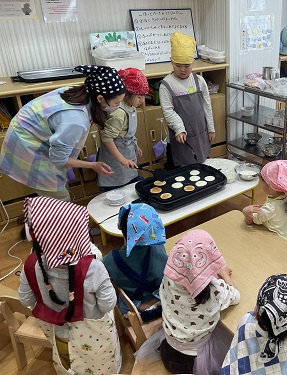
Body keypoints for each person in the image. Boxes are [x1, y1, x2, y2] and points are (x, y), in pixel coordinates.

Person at [18, 196, 121, 374]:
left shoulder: (31, 264)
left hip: (59, 335)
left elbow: (25, 299)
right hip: (96, 336)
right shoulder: (94, 267)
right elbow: (107, 304)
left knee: (70, 368)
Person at [0, 65, 125, 202]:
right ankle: (59, 221)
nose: (118, 106)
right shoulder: (76, 121)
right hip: (26, 144)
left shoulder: (81, 91)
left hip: (33, 131)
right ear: (100, 98)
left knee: (57, 190)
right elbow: (59, 159)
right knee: (61, 202)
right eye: (117, 103)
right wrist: (92, 165)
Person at [159, 229, 240, 374]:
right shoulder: (215, 291)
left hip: (168, 350)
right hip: (196, 361)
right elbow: (236, 295)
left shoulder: (168, 279)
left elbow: (190, 280)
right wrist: (223, 273)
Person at [102, 203, 167, 322]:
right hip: (165, 302)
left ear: (119, 227)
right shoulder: (158, 247)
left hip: (134, 313)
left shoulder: (110, 260)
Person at [160, 32, 215, 170]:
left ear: (193, 63)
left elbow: (207, 106)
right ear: (171, 62)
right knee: (179, 176)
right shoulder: (166, 85)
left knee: (202, 171)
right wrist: (179, 128)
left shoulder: (199, 81)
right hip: (178, 139)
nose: (183, 70)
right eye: (178, 65)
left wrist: (211, 128)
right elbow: (168, 111)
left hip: (200, 136)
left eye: (187, 65)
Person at [97, 68, 149, 192]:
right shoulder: (119, 113)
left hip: (127, 150)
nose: (142, 101)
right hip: (115, 157)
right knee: (117, 188)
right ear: (127, 94)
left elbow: (128, 132)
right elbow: (106, 138)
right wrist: (122, 159)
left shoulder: (131, 106)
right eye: (139, 97)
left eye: (143, 97)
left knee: (129, 183)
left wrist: (136, 145)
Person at [242, 160, 287, 243]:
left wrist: (245, 211)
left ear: (270, 187)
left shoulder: (271, 208)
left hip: (275, 244)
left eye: (263, 182)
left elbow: (252, 220)